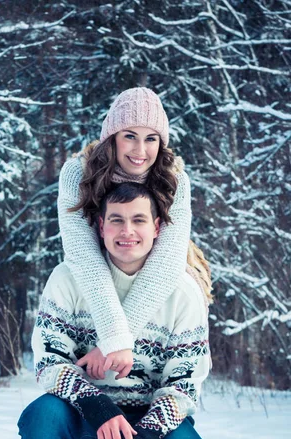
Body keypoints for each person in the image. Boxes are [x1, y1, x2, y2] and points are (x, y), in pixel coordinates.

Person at [18, 182, 214, 439]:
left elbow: (184, 385)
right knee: (41, 419)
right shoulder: (69, 278)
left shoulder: (182, 291)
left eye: (139, 219)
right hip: (83, 421)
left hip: (147, 427)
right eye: (116, 220)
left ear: (158, 227)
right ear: (99, 226)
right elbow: (50, 361)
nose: (128, 231)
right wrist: (100, 410)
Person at [57, 87, 192, 381]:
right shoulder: (77, 173)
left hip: (154, 268)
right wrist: (114, 337)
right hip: (101, 266)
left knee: (187, 290)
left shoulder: (175, 180)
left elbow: (167, 264)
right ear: (112, 138)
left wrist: (112, 344)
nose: (140, 150)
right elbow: (83, 254)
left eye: (151, 138)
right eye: (130, 136)